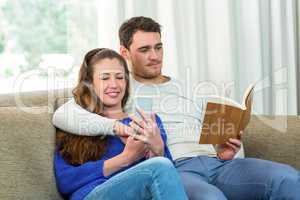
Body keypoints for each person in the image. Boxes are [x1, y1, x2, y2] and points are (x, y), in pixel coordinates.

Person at [53, 17, 300, 200]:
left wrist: (228, 151)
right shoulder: (119, 95)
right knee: (209, 197)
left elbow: (166, 155)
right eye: (144, 49)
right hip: (179, 170)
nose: (154, 56)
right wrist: (120, 131)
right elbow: (65, 115)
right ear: (125, 53)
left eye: (158, 47)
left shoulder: (194, 89)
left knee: (288, 179)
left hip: (218, 162)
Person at [53, 48, 188, 200]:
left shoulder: (148, 122)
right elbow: (66, 181)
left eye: (119, 77)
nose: (114, 84)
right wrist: (126, 158)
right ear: (90, 83)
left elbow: (168, 183)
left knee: (162, 166)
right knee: (160, 167)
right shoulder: (75, 121)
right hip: (92, 194)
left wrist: (158, 150)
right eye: (105, 78)